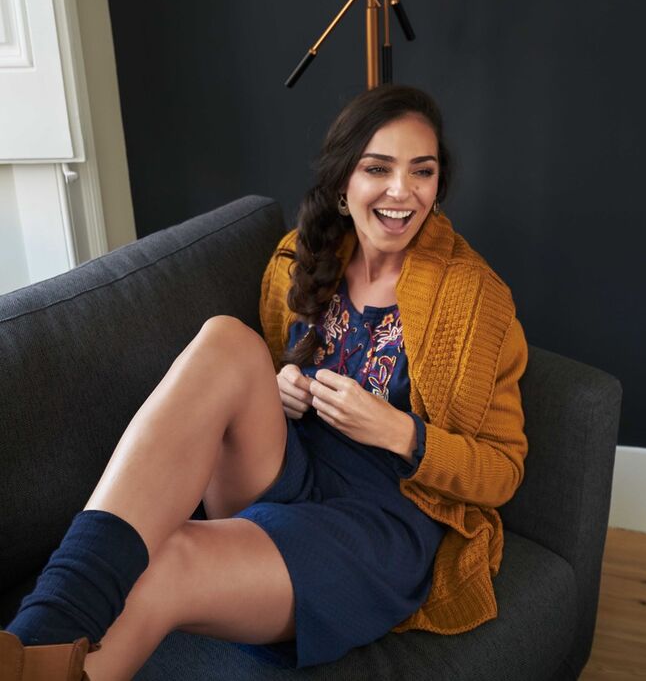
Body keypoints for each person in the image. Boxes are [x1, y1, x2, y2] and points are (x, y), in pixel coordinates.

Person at [0, 84, 528, 680]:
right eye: (378, 168)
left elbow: (502, 471)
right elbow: (275, 363)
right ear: (343, 183)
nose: (402, 191)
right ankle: (29, 641)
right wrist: (281, 387)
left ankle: (30, 649)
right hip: (289, 469)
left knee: (166, 560)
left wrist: (401, 432)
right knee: (227, 339)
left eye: (421, 171)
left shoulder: (477, 300)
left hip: (378, 521)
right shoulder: (296, 257)